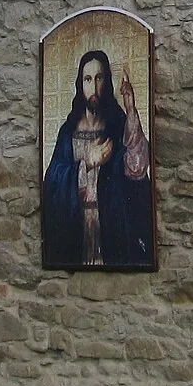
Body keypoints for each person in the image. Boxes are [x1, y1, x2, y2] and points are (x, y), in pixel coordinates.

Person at [41, 49, 152, 268]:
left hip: (113, 226)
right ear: (80, 84)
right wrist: (86, 164)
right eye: (88, 79)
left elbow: (137, 168)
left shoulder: (118, 123)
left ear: (107, 83)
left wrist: (130, 109)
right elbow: (52, 181)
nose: (94, 87)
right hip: (76, 229)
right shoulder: (68, 130)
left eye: (99, 78)